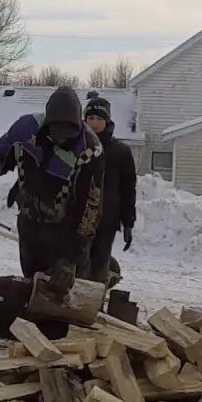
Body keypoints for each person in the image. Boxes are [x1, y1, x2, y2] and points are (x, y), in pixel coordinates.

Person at [0, 86, 104, 298]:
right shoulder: (26, 129)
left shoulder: (90, 149)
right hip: (30, 224)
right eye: (57, 132)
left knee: (67, 296)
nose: (62, 139)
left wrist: (71, 259)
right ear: (48, 124)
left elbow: (91, 209)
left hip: (66, 231)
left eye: (68, 134)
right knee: (33, 289)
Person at [80, 94, 137, 284]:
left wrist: (127, 222)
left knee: (98, 269)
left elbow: (128, 190)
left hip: (106, 221)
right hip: (77, 220)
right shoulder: (76, 147)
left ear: (107, 121)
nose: (94, 123)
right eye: (90, 118)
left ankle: (94, 308)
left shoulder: (120, 152)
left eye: (99, 119)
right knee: (76, 267)